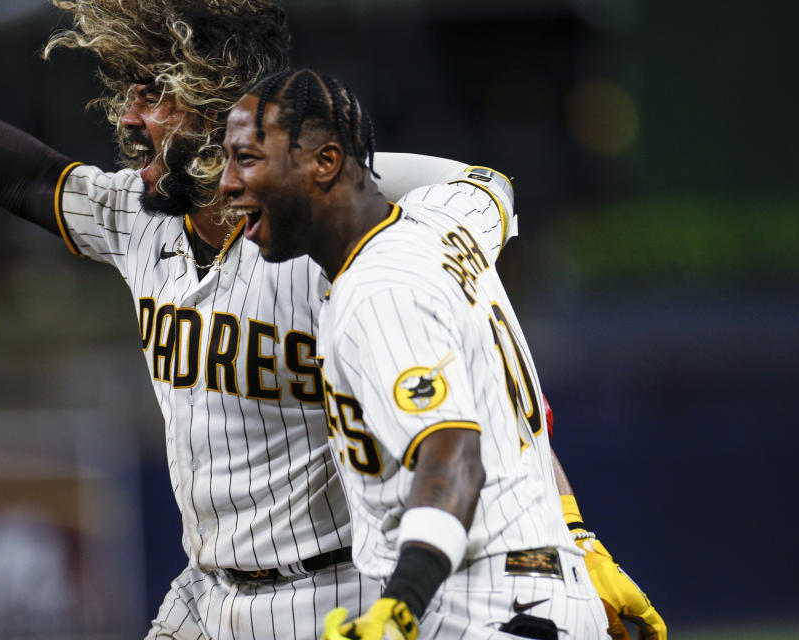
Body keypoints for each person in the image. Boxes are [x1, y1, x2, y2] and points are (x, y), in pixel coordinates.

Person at [0, 4, 665, 637]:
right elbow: (26, 177)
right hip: (206, 594)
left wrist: (571, 529)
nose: (128, 117)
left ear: (216, 110)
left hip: (338, 588)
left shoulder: (334, 238)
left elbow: (478, 384)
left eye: (152, 96)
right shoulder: (142, 221)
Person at [220, 68, 623, 639]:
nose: (226, 184)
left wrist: (400, 605)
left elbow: (454, 455)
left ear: (325, 164)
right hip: (542, 582)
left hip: (485, 610)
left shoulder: (378, 292)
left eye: (248, 159)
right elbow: (490, 185)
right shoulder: (443, 219)